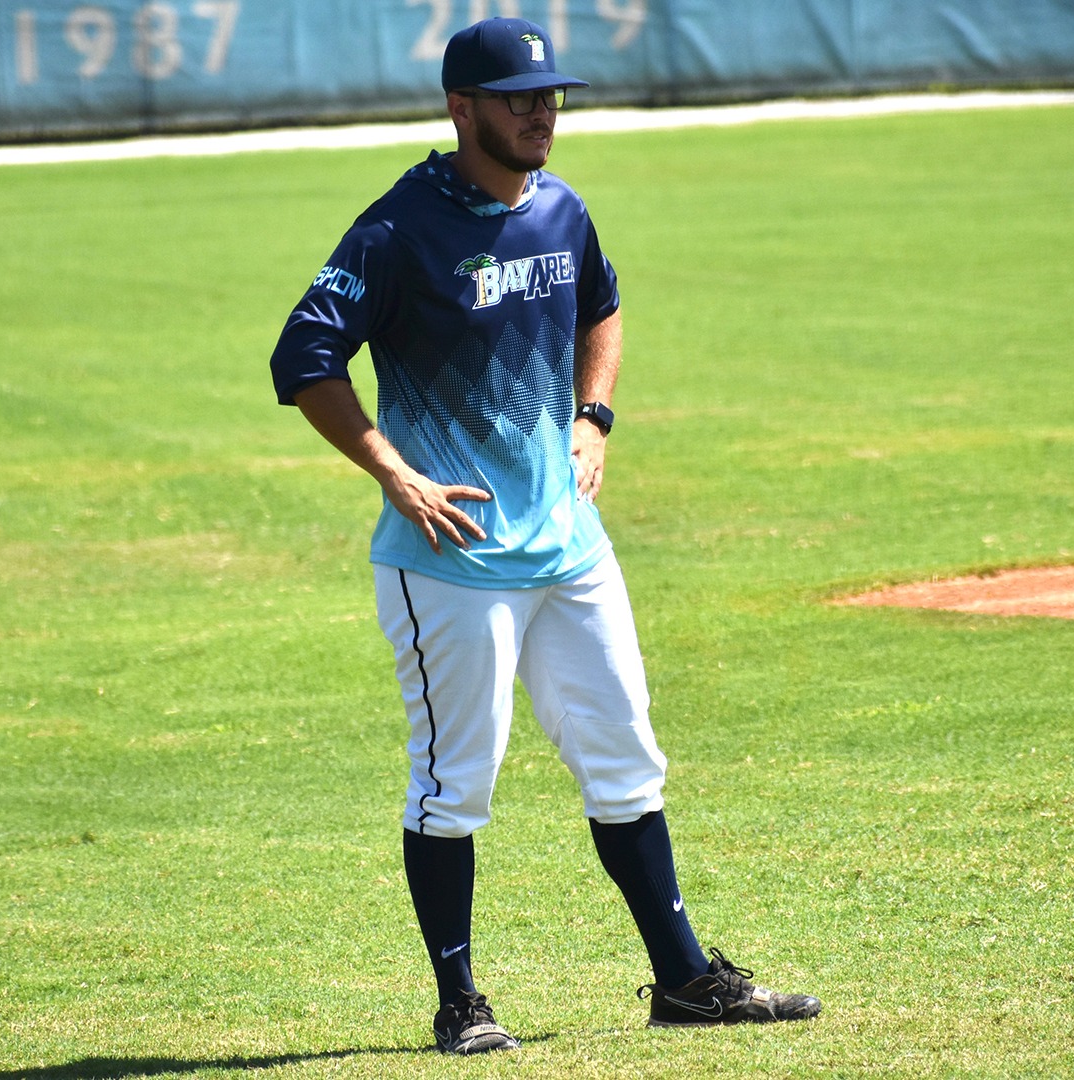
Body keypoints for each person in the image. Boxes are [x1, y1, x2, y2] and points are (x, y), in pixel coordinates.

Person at [267, 17, 821, 1055]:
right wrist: (393, 472)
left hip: (568, 546)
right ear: (461, 107)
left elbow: (601, 306)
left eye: (550, 96)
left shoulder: (562, 211)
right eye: (518, 98)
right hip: (452, 561)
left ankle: (685, 982)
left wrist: (593, 416)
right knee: (455, 783)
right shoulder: (397, 229)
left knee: (627, 760)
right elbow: (303, 358)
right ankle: (460, 1004)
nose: (541, 114)